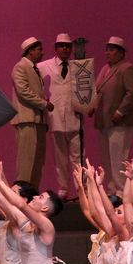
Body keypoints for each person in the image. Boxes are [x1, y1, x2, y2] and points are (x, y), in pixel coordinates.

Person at [90, 36, 133, 196]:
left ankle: (121, 191)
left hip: (120, 121)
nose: (107, 53)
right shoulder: (105, 69)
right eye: (107, 49)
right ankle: (112, 189)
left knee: (119, 157)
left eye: (111, 50)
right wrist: (90, 107)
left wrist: (120, 112)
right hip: (105, 120)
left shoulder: (127, 68)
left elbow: (132, 93)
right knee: (107, 158)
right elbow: (96, 91)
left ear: (121, 53)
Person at [38, 33, 83, 200]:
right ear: (56, 48)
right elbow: (37, 87)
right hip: (55, 116)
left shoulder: (78, 67)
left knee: (78, 156)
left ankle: (81, 188)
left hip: (74, 116)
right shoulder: (44, 66)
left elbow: (85, 90)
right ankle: (63, 188)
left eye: (67, 46)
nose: (65, 49)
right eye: (62, 46)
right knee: (60, 156)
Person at [11, 37, 53, 187]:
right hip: (27, 119)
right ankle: (22, 192)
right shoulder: (20, 67)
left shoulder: (35, 69)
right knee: (26, 160)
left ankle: (33, 191)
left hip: (38, 120)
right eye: (39, 49)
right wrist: (44, 104)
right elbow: (24, 91)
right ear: (30, 51)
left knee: (37, 160)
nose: (42, 53)